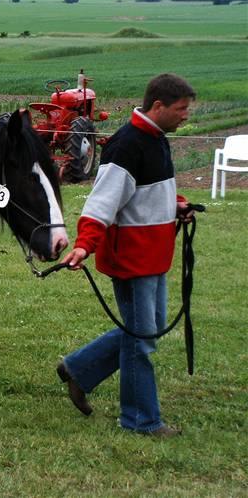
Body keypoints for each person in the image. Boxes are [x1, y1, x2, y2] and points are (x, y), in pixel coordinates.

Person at [57, 73, 196, 438]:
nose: (186, 116)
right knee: (141, 337)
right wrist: (85, 245)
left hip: (153, 256)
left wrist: (177, 205)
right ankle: (140, 420)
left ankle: (78, 368)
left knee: (145, 330)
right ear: (158, 107)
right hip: (132, 260)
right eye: (181, 109)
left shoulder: (157, 139)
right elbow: (102, 203)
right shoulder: (126, 145)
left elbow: (149, 192)